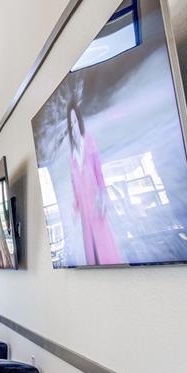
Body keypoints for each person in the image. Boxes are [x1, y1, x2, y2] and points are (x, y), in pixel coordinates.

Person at [66, 101, 121, 265]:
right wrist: (74, 211)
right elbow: (75, 189)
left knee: (107, 257)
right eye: (71, 124)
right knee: (94, 261)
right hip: (85, 218)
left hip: (97, 209)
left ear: (80, 122)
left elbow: (99, 174)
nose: (74, 127)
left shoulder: (89, 141)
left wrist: (103, 197)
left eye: (76, 122)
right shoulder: (72, 157)